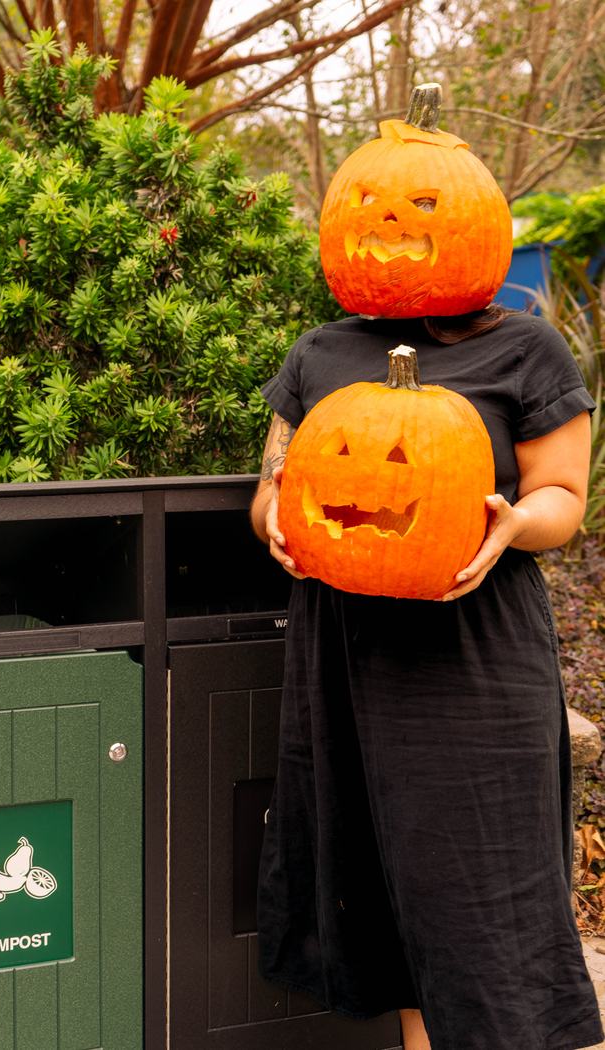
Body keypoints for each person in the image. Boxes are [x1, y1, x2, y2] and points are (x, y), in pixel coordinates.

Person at [249, 304, 604, 1050]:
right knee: (381, 892)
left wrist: (511, 523)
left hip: (471, 652)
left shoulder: (525, 349)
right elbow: (274, 486)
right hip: (342, 650)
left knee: (477, 899)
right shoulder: (321, 350)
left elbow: (563, 499)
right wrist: (272, 515)